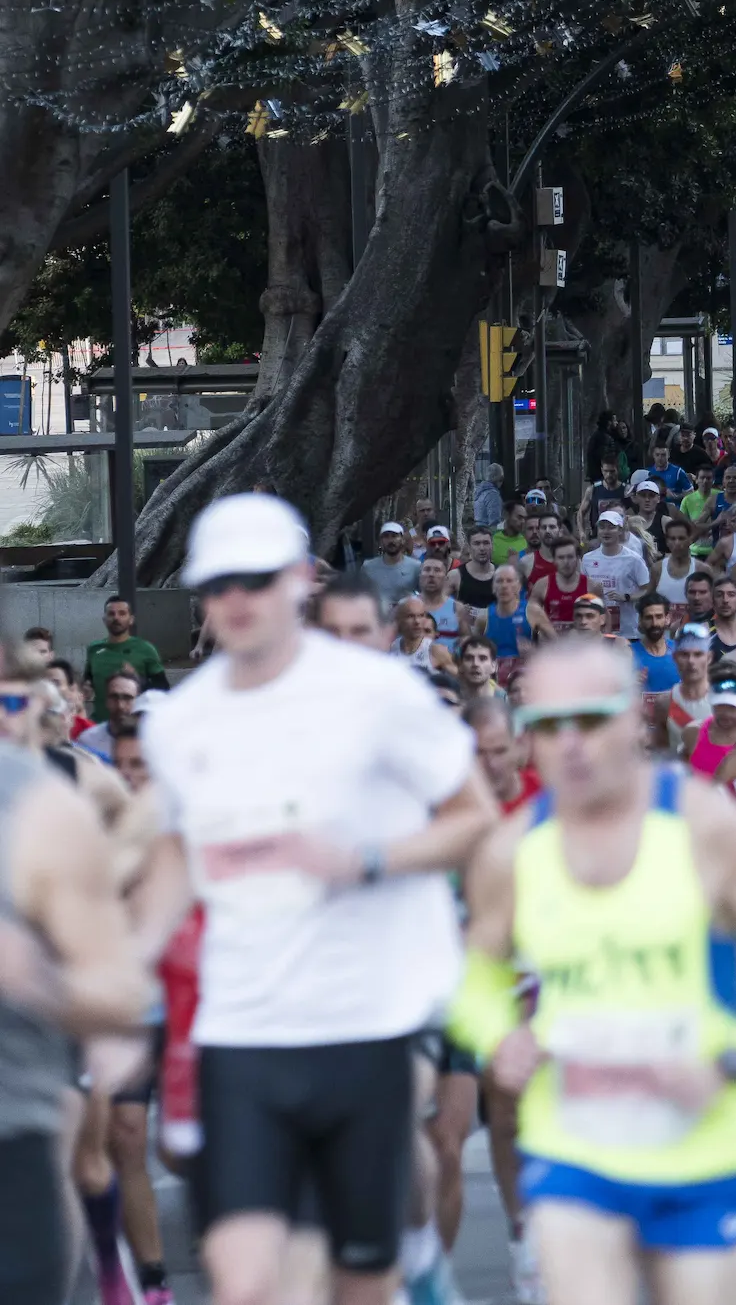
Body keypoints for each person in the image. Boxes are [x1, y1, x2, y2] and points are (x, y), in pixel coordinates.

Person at [131, 494, 500, 1305]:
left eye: (254, 582)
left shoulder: (378, 694)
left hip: (364, 1024)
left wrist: (364, 858)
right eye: (216, 584)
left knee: (358, 1280)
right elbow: (171, 862)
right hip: (243, 1029)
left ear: (299, 580)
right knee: (244, 1275)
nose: (234, 601)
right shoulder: (182, 723)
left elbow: (474, 817)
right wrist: (125, 977)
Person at [445, 638, 736, 1304]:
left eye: (591, 720)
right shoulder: (511, 852)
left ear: (634, 719)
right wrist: (498, 1036)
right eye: (549, 726)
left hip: (703, 1145)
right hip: (574, 1146)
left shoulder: (704, 825)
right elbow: (472, 973)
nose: (571, 744)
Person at [0, 636, 158, 1304]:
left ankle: (116, 1273)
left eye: (9, 701)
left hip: (18, 1104)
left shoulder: (57, 795)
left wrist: (40, 976)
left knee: (83, 1156)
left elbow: (119, 990)